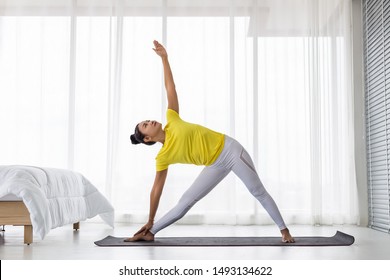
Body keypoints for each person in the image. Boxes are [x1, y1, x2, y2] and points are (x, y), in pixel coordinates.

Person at [127, 40, 295, 243]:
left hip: (230, 151)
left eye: (147, 120)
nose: (150, 121)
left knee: (256, 190)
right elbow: (156, 189)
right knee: (186, 202)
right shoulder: (163, 157)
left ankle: (284, 230)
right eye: (145, 125)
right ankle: (150, 233)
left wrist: (165, 59)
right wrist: (150, 219)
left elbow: (170, 88)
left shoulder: (172, 119)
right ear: (147, 139)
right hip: (215, 164)